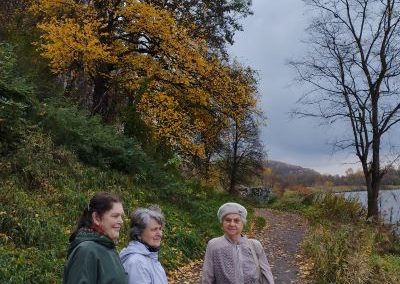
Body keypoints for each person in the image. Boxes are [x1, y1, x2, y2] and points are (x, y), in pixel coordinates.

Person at [201, 202, 274, 284]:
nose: (232, 224)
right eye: (228, 220)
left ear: (243, 223)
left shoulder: (255, 245)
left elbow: (266, 273)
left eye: (236, 220)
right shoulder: (214, 245)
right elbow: (207, 276)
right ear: (222, 223)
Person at [63, 192, 128, 284]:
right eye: (115, 216)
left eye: (121, 216)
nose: (121, 221)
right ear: (96, 218)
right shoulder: (86, 250)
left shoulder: (107, 247)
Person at [120, 205, 168, 284]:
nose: (159, 233)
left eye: (160, 229)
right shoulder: (137, 263)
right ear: (139, 234)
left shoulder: (151, 258)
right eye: (154, 229)